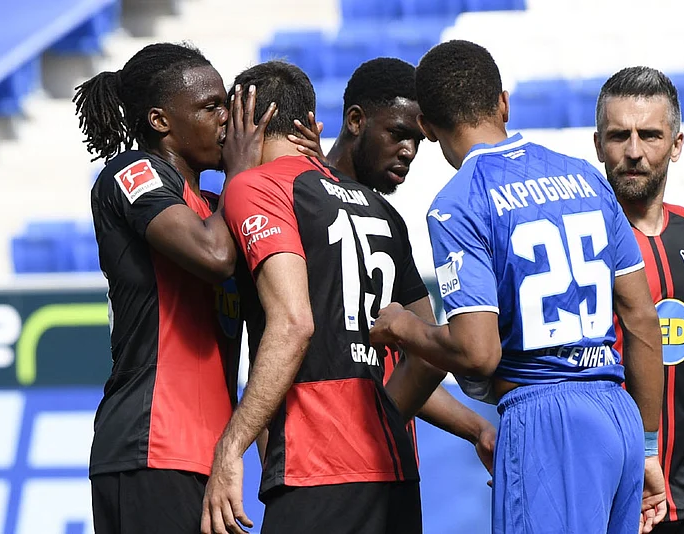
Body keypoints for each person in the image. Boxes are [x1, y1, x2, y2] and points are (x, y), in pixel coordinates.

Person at [369, 40, 667, 534]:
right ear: (503, 104)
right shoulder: (587, 178)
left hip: (546, 419)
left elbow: (477, 352)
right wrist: (649, 446)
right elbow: (641, 317)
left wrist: (401, 326)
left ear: (427, 126)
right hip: (619, 417)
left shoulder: (459, 202)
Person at [200, 60, 446, 534]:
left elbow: (294, 325)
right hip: (393, 471)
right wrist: (377, 421)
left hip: (317, 468)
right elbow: (432, 353)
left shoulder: (259, 186)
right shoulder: (380, 207)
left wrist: (230, 449)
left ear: (244, 119)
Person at [74, 42, 274, 533]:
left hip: (211, 456)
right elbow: (214, 257)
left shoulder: (216, 206)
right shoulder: (132, 172)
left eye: (227, 103)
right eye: (210, 107)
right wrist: (242, 173)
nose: (226, 120)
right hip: (151, 445)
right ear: (161, 121)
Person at [289, 56, 496, 473]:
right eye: (398, 134)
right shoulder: (294, 199)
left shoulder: (389, 221)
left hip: (369, 466)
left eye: (417, 140)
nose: (409, 151)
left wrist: (478, 429)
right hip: (318, 467)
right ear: (355, 120)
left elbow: (425, 357)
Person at [594, 66, 684, 534]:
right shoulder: (584, 241)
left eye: (650, 135)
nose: (634, 151)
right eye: (619, 135)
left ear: (676, 145)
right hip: (619, 496)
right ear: (598, 144)